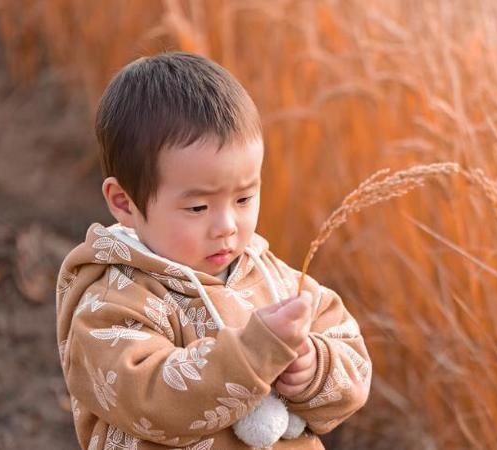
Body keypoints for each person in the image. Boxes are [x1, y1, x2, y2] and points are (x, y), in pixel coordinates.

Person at [56, 52, 371, 450]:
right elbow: (150, 399)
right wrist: (252, 355)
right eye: (198, 207)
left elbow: (350, 354)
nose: (226, 225)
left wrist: (314, 367)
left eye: (244, 198)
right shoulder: (111, 302)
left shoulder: (274, 277)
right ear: (124, 202)